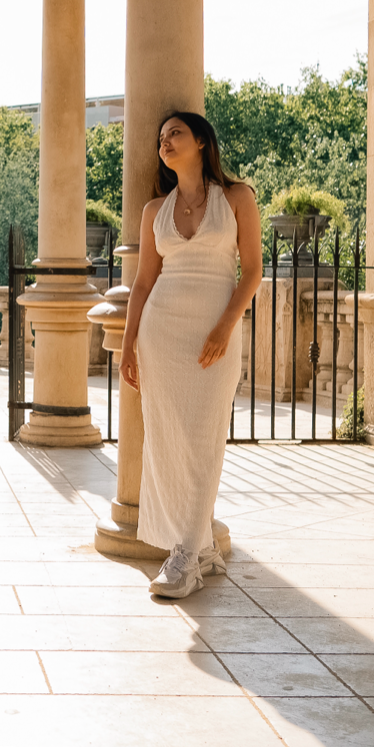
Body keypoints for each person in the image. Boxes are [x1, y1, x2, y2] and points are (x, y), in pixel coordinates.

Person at [119, 111, 262, 599]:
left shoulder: (238, 198)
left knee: (204, 440)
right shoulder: (153, 209)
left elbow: (252, 273)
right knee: (167, 443)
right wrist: (127, 345)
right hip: (161, 333)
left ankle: (185, 556)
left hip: (214, 333)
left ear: (201, 141)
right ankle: (192, 551)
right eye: (160, 138)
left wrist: (225, 325)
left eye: (175, 133)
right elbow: (141, 284)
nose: (165, 142)